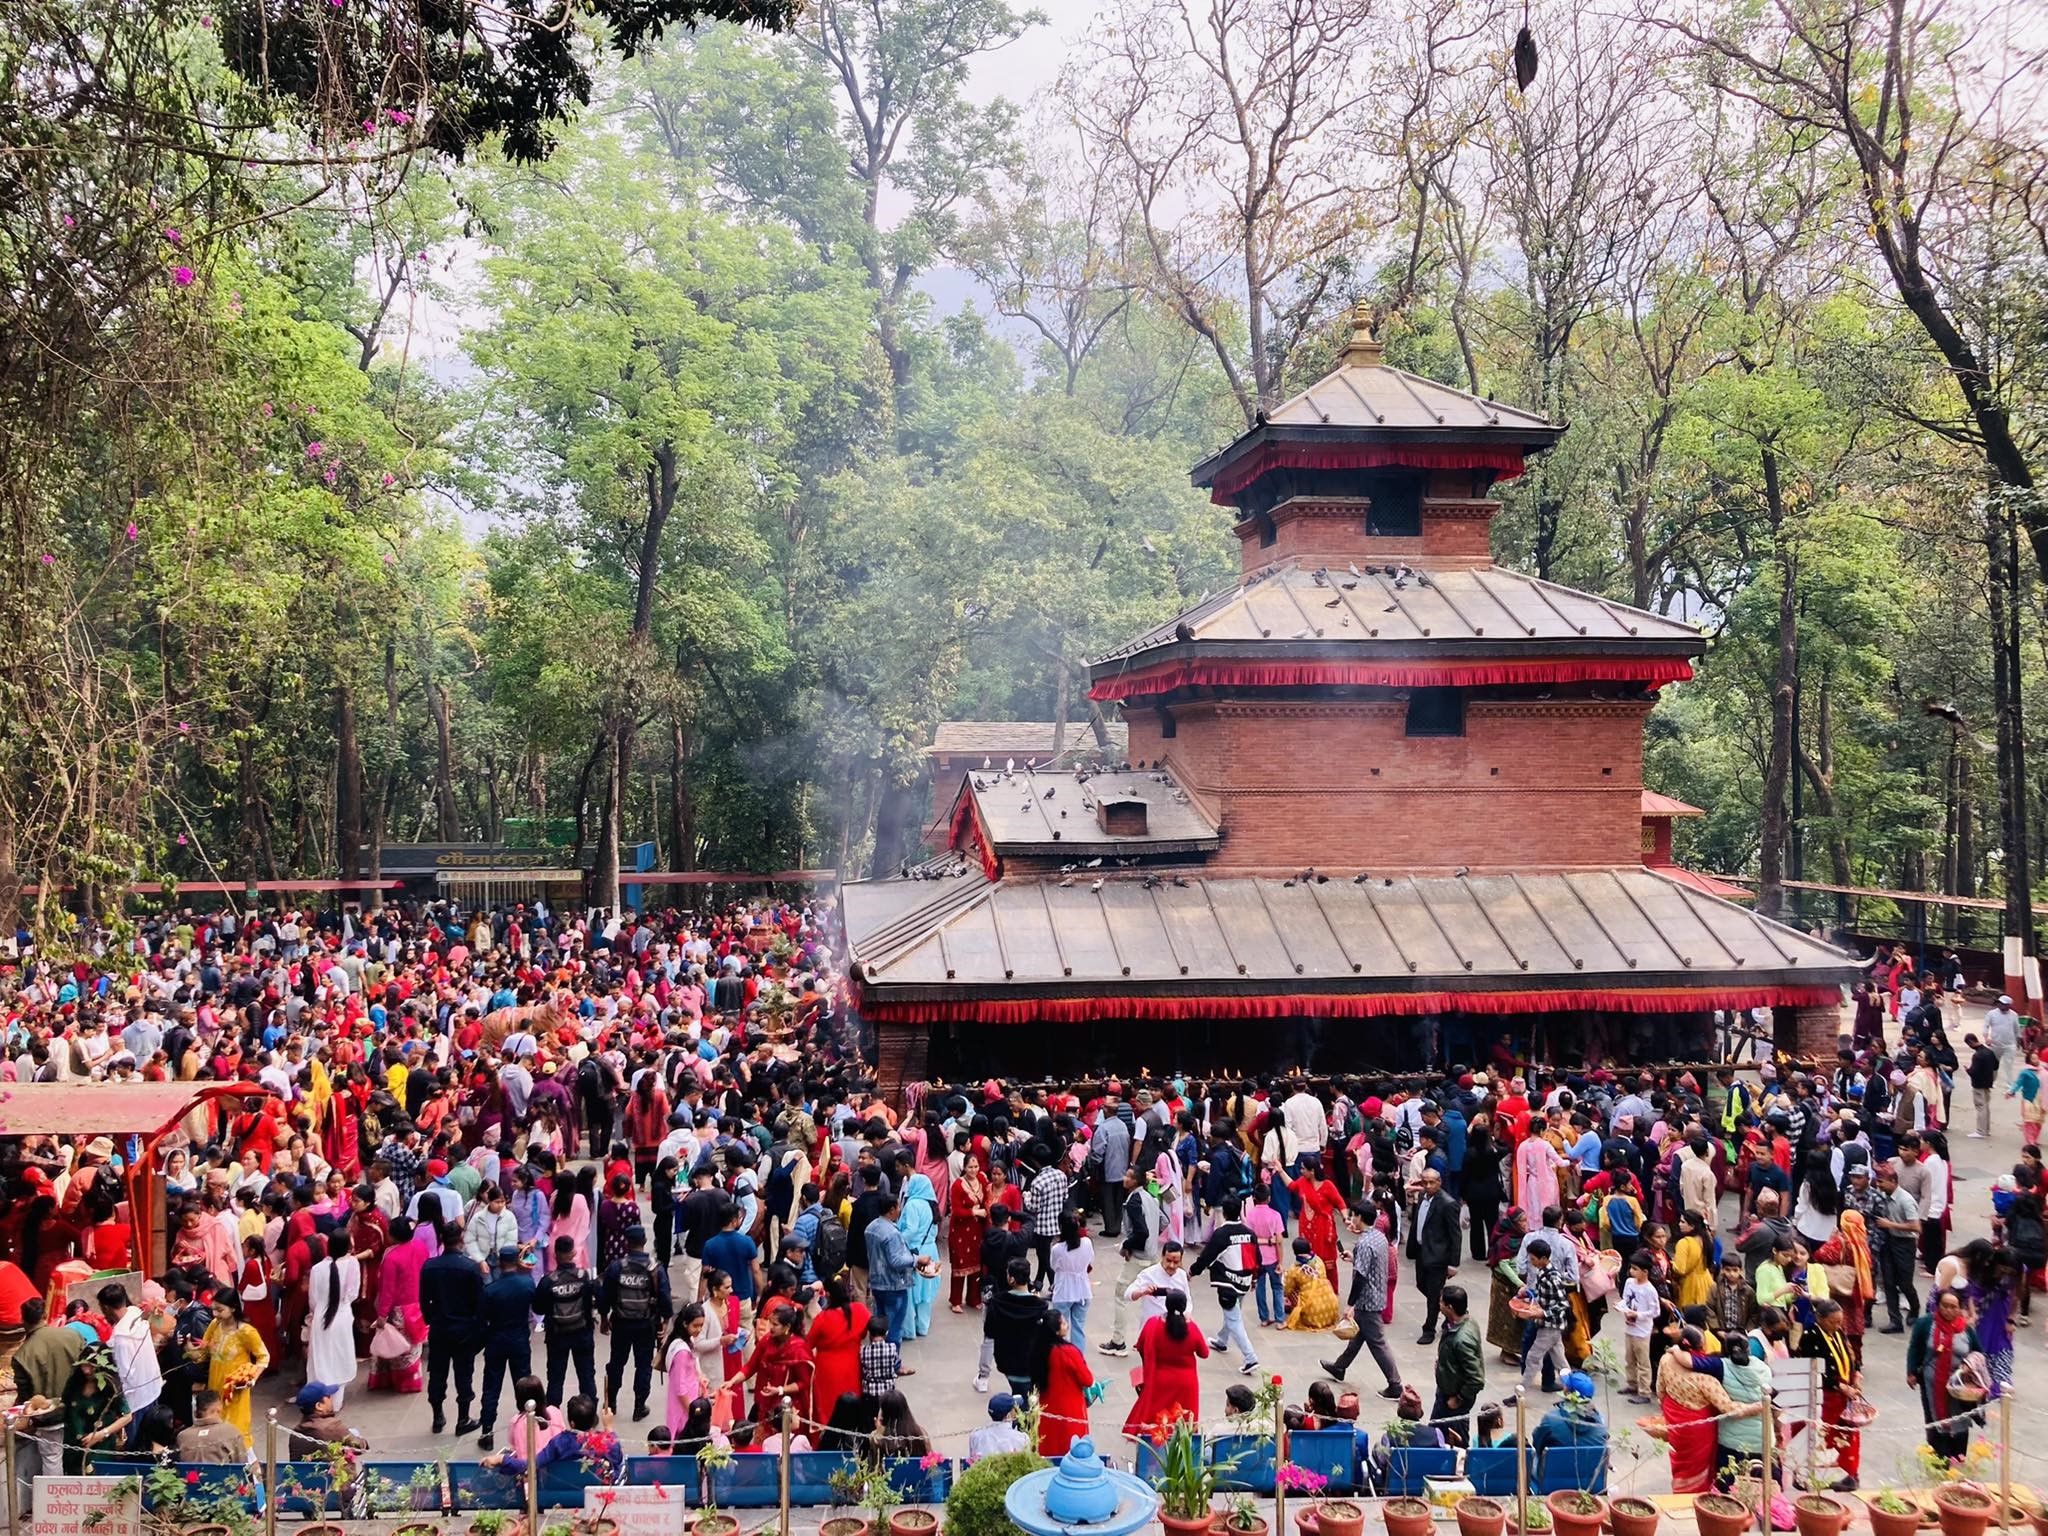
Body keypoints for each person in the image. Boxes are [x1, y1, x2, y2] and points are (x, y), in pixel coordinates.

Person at [1657, 1331, 1759, 1493]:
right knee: (1697, 1467)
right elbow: (1728, 1407)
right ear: (1702, 1346)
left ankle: (1679, 1491)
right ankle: (1695, 1497)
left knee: (1681, 1461)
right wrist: (1757, 1407)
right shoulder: (1705, 1378)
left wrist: (1666, 1412)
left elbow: (1661, 1391)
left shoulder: (1666, 1359)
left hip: (1675, 1422)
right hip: (1698, 1430)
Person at [1321, 1199, 1400, 1397]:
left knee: (1377, 1343)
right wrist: (1354, 1258)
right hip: (1378, 1293)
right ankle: (1340, 1367)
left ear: (1360, 1218)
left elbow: (1360, 1277)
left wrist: (1350, 1304)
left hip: (1367, 1300)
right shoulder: (1379, 1237)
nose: (1352, 1219)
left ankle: (1395, 1384)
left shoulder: (1364, 1243)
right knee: (1357, 1337)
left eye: (1354, 1215)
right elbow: (1372, 1262)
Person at [420, 1218, 485, 1436]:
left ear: (441, 1239)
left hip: (439, 1328)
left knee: (437, 1374)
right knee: (463, 1375)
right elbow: (479, 1304)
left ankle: (437, 1416)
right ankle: (463, 1418)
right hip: (463, 1330)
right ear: (461, 1239)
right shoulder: (470, 1268)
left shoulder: (429, 1267)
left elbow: (424, 1300)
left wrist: (430, 1319)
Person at [601, 1223, 671, 1421]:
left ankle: (611, 1404)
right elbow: (665, 1296)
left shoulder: (617, 1267)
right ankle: (639, 1407)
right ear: (645, 1242)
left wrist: (604, 1318)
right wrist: (666, 1321)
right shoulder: (655, 1268)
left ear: (627, 1243)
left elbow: (605, 1296)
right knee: (643, 1365)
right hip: (646, 1325)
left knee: (616, 1363)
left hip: (621, 1324)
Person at [1907, 1289, 1982, 1466]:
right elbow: (1915, 1347)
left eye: (1953, 1307)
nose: (1948, 1310)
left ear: (1959, 1308)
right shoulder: (1925, 1324)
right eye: (1944, 1306)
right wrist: (1911, 1371)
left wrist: (1968, 1366)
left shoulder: (1967, 1330)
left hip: (1958, 1386)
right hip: (1932, 1384)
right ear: (1938, 1305)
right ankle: (1939, 1460)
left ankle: (1958, 1457)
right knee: (1935, 1419)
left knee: (1960, 1420)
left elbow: (1978, 1353)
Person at [1122, 1290, 1208, 1436]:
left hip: (1160, 1380)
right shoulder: (1191, 1329)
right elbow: (1204, 1353)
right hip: (1186, 1383)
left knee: (1157, 1419)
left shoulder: (1153, 1324)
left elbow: (1140, 1345)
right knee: (1184, 1423)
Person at [1189, 1196, 1258, 1372]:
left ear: (1224, 1213)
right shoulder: (1250, 1233)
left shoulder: (1221, 1234)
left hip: (1228, 1283)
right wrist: (1255, 1279)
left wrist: (1192, 1271)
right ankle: (1222, 1340)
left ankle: (1250, 1358)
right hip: (1244, 1280)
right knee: (1233, 1313)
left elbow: (1206, 1257)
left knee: (1234, 1319)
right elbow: (1258, 1259)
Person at [478, 1245, 538, 1450]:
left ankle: (487, 1431)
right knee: (524, 1386)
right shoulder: (527, 1284)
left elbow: (482, 1317)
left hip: (496, 1340)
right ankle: (528, 1428)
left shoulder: (490, 1290)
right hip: (519, 1340)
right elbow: (537, 1306)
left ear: (500, 1263)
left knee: (491, 1388)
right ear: (517, 1262)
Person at [193, 1289, 269, 1447]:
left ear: (233, 1308)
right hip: (215, 1384)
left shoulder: (246, 1332)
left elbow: (263, 1357)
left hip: (235, 1388)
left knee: (236, 1428)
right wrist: (189, 1349)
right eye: (213, 1309)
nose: (215, 1314)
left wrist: (252, 1378)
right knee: (215, 1423)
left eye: (220, 1310)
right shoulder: (215, 1325)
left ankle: (245, 1459)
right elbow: (204, 1350)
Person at [1802, 1298, 1864, 1489]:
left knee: (1849, 1434)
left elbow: (1850, 1355)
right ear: (1819, 1318)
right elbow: (1813, 1369)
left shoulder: (1838, 1332)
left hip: (1845, 1395)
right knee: (1824, 1435)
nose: (1837, 1326)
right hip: (1826, 1396)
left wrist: (1856, 1375)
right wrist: (1840, 1386)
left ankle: (1851, 1474)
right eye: (1833, 1322)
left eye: (1839, 1322)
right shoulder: (1810, 1336)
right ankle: (1819, 1475)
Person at [533, 1232, 600, 1406]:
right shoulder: (584, 1277)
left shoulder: (548, 1281)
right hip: (582, 1334)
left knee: (555, 1380)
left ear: (555, 1255)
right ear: (574, 1253)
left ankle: (553, 1415)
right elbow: (595, 1300)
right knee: (586, 1377)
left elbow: (538, 1308)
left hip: (557, 1337)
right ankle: (589, 1413)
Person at [369, 1215, 428, 1394]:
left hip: (399, 1308)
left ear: (393, 1235)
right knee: (413, 1345)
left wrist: (382, 1315)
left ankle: (398, 1381)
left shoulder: (391, 1257)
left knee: (398, 1347)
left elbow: (388, 1289)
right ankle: (412, 1379)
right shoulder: (420, 1247)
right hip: (419, 1303)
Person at [306, 1227, 361, 1409]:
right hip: (342, 1317)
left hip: (321, 1317)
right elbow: (353, 1294)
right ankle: (335, 1403)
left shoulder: (317, 1269)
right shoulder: (353, 1264)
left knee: (321, 1359)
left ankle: (318, 1402)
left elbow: (313, 1299)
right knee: (339, 1357)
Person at [101, 1282, 161, 1446]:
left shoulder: (121, 1338)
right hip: (153, 1388)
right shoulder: (135, 1313)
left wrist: (121, 1407)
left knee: (136, 1444)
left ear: (106, 1308)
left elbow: (126, 1375)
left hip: (136, 1401)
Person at [1406, 1166, 1461, 1346]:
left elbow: (1455, 1235)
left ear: (1439, 1182)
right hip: (1422, 1251)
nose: (1428, 1186)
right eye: (1425, 1182)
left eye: (1432, 1182)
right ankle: (1448, 1306)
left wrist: (1453, 1264)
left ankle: (1429, 1328)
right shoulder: (1422, 1196)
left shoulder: (1448, 1203)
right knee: (1422, 1285)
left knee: (1432, 1294)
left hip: (1438, 1255)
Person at [1031, 1310, 1097, 1458]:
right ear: (1056, 1330)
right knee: (1072, 1449)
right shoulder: (1068, 1352)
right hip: (1070, 1409)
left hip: (1047, 1406)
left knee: (1050, 1446)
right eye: (1064, 1323)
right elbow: (1087, 1380)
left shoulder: (1038, 1349)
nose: (1067, 1325)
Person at [805, 1277, 870, 1422]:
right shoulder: (860, 1310)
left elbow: (807, 1345)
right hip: (852, 1365)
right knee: (852, 1401)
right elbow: (867, 1331)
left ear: (828, 1295)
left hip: (826, 1369)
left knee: (828, 1406)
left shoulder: (823, 1318)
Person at [1430, 1285, 1485, 1447]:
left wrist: (1459, 1399)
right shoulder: (1462, 1323)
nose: (1439, 1305)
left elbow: (1476, 1379)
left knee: (1457, 1440)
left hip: (1453, 1400)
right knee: (1435, 1434)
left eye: (1441, 1302)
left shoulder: (1462, 1340)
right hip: (1445, 1392)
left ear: (1450, 1307)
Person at [1519, 1238, 1570, 1392]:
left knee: (1533, 1358)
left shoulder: (1552, 1278)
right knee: (1561, 1363)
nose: (1531, 1261)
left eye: (1533, 1259)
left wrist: (1543, 1313)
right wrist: (1528, 1292)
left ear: (1543, 1258)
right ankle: (1574, 1390)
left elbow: (1563, 1304)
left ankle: (1521, 1391)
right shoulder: (1542, 1273)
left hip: (1550, 1326)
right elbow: (1543, 1296)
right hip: (1550, 1325)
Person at [1484, 1208, 1530, 1364]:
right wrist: (1519, 1283)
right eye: (1521, 1221)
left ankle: (1514, 1349)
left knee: (1518, 1320)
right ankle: (1506, 1351)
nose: (1525, 1224)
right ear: (1513, 1223)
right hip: (1504, 1285)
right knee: (1506, 1319)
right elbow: (1503, 1264)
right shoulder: (1504, 1242)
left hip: (1518, 1284)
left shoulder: (1522, 1238)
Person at [948, 1154, 991, 1312]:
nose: (973, 1170)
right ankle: (956, 1300)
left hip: (977, 1229)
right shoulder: (958, 1185)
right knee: (960, 1265)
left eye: (976, 1166)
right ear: (964, 1168)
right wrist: (975, 1212)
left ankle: (974, 1299)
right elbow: (956, 1210)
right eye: (970, 1167)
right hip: (960, 1230)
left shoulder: (982, 1179)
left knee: (976, 1264)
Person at [1047, 1210, 1095, 1353]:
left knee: (1059, 1328)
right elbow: (1090, 1260)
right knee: (1079, 1328)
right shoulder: (1087, 1243)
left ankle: (1061, 1356)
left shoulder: (1057, 1249)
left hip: (1064, 1291)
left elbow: (1053, 1266)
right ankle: (1078, 1358)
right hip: (1083, 1290)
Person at [287, 1380, 369, 1459]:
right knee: (354, 1432)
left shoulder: (295, 1433)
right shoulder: (333, 1426)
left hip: (303, 1469)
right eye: (328, 1397)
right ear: (319, 1406)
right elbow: (360, 1448)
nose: (331, 1399)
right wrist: (362, 1441)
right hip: (330, 1468)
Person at [1530, 1371, 1606, 1455]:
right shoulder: (1601, 1423)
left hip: (1557, 1463)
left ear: (1567, 1392)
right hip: (1590, 1463)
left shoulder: (1551, 1419)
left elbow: (1537, 1444)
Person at [1618, 1254, 1659, 1404]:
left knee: (1643, 1363)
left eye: (1635, 1269)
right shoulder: (1629, 1283)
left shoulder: (1650, 1290)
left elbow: (1655, 1312)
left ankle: (1644, 1392)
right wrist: (1621, 1307)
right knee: (1629, 1359)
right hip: (1630, 1328)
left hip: (1642, 1331)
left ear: (1645, 1272)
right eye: (1631, 1268)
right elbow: (1625, 1300)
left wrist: (1638, 1315)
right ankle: (1632, 1384)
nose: (1631, 1271)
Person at [176, 1389, 249, 1464]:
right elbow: (242, 1466)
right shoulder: (231, 1432)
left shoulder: (182, 1437)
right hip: (222, 1472)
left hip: (191, 1472)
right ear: (219, 1409)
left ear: (195, 1412)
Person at [1284, 1238, 1339, 1330]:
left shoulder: (1294, 1269)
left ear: (1295, 1251)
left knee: (1289, 1284)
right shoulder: (1318, 1260)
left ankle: (1295, 1309)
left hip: (1311, 1315)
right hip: (1332, 1307)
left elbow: (1287, 1290)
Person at [969, 1392, 1030, 1460]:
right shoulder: (1023, 1439)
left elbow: (972, 1461)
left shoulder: (976, 1436)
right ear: (1008, 1416)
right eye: (1014, 1409)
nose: (1016, 1411)